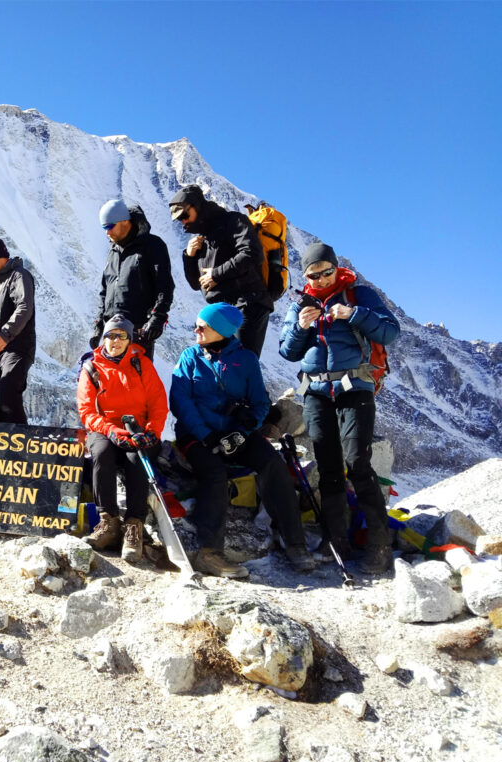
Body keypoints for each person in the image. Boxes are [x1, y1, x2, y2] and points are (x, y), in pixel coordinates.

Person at [278, 242, 400, 574]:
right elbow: (288, 352)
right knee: (329, 466)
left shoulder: (359, 296)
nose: (319, 281)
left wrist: (353, 314)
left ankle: (379, 543)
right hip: (316, 391)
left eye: (325, 273)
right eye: (312, 276)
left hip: (355, 386)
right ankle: (336, 540)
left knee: (357, 460)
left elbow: (390, 331)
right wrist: (302, 327)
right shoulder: (300, 305)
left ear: (335, 268)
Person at [170, 302, 315, 577]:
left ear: (222, 330)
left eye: (204, 326)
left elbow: (260, 403)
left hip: (237, 434)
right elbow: (180, 403)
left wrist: (242, 432)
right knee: (214, 474)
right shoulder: (189, 357)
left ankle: (295, 542)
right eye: (198, 324)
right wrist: (207, 435)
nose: (196, 329)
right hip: (196, 435)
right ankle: (208, 553)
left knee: (273, 464)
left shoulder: (245, 360)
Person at [77, 314, 168, 563]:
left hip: (138, 428)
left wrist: (151, 431)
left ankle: (134, 525)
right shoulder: (91, 367)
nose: (115, 340)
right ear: (103, 338)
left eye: (121, 336)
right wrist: (112, 431)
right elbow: (87, 411)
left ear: (129, 340)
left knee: (135, 459)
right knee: (102, 454)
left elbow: (159, 403)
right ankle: (108, 522)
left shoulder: (142, 365)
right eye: (111, 335)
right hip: (105, 428)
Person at [170, 185, 273, 357]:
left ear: (196, 206)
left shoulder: (233, 221)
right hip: (222, 311)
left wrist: (216, 274)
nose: (183, 222)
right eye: (179, 219)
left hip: (248, 303)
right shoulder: (203, 238)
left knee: (241, 362)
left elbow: (252, 254)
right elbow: (197, 284)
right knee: (225, 366)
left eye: (184, 216)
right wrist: (189, 256)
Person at [90, 199, 175, 360]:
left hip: (138, 331)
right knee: (110, 381)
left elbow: (164, 285)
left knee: (135, 380)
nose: (107, 232)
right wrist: (99, 326)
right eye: (104, 228)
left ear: (125, 222)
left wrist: (157, 318)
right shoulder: (113, 251)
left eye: (109, 226)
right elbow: (105, 291)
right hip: (111, 331)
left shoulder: (152, 245)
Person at [0, 237, 35, 425]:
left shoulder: (19, 276)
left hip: (18, 347)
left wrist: (6, 335)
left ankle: (26, 446)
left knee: (8, 396)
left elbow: (24, 307)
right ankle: (3, 451)